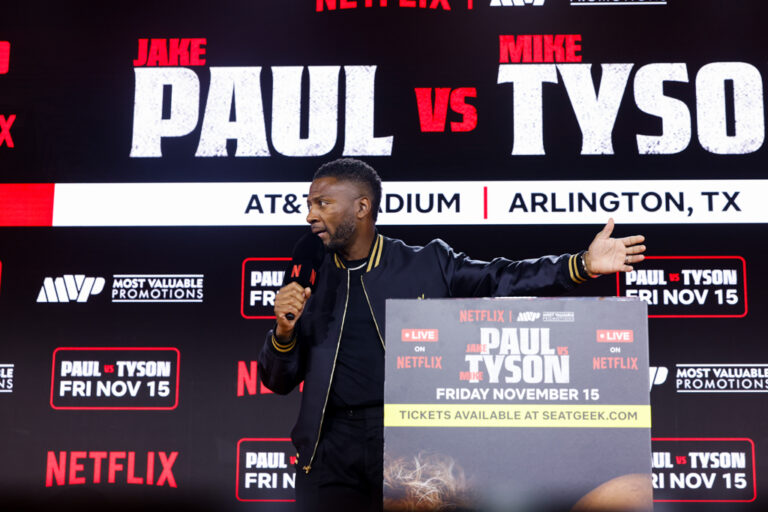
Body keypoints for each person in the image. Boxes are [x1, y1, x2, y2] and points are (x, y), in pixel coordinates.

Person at [258, 158, 646, 512]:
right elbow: (277, 380)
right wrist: (284, 331)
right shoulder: (307, 275)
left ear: (362, 207)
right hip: (328, 446)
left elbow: (504, 278)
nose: (310, 215)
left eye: (322, 203)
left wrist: (581, 265)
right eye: (308, 204)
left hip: (405, 445)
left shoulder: (427, 263)